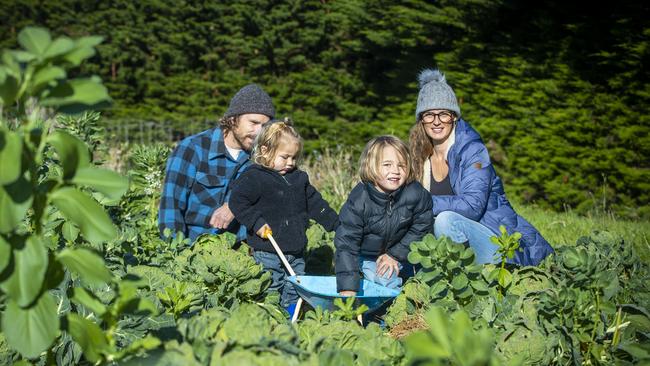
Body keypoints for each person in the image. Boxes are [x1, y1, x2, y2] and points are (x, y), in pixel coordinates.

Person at [409, 69, 554, 265]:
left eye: (443, 114)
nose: (436, 121)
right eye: (429, 115)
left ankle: (464, 283)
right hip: (448, 244)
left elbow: (472, 206)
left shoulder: (473, 150)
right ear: (421, 120)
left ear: (454, 117)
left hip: (493, 239)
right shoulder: (418, 155)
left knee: (445, 220)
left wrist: (419, 201)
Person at [229, 120, 339, 313]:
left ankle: (290, 318)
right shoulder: (255, 177)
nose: (290, 163)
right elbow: (238, 201)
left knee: (295, 287)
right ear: (265, 150)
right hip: (267, 247)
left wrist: (335, 223)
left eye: (294, 158)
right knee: (271, 284)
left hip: (296, 247)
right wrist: (256, 223)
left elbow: (315, 203)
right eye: (285, 157)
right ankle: (270, 315)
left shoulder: (299, 178)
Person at [158, 84, 275, 242]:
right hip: (192, 250)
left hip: (241, 253)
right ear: (233, 119)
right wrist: (176, 255)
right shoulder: (192, 149)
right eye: (253, 123)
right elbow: (170, 211)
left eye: (264, 126)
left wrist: (236, 204)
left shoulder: (263, 157)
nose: (259, 132)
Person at [335, 136, 434, 296]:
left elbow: (422, 226)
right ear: (371, 167)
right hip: (369, 256)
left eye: (401, 165)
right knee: (385, 280)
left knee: (429, 278)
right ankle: (386, 317)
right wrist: (348, 289)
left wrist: (394, 254)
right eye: (387, 165)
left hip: (403, 252)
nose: (395, 171)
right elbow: (347, 243)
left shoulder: (416, 193)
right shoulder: (360, 200)